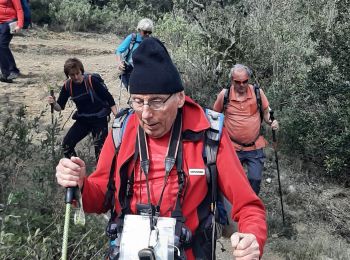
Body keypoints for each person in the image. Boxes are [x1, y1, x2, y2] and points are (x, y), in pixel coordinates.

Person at [56, 38, 267, 259]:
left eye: (157, 101)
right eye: (138, 101)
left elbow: (249, 205)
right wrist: (81, 183)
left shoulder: (208, 133)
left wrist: (253, 238)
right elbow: (99, 198)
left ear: (179, 98)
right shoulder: (121, 130)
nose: (146, 113)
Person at [213, 64, 279, 195]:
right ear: (232, 80)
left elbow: (266, 113)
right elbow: (215, 115)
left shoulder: (257, 93)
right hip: (232, 147)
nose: (242, 85)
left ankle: (250, 206)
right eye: (238, 82)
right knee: (230, 180)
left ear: (248, 79)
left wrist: (272, 121)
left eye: (245, 81)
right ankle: (232, 206)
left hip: (254, 147)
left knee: (255, 179)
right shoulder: (224, 95)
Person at [48, 58, 117, 161]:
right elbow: (60, 107)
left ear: (81, 71)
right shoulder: (67, 86)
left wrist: (117, 115)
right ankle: (77, 169)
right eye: (72, 75)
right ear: (68, 75)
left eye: (77, 73)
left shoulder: (91, 81)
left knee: (101, 151)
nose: (76, 77)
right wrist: (53, 103)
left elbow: (109, 98)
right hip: (83, 119)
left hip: (99, 118)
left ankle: (101, 175)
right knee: (66, 145)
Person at [115, 18, 153, 90]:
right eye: (145, 32)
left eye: (149, 32)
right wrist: (119, 62)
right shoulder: (132, 38)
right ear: (139, 30)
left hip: (144, 71)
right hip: (131, 70)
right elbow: (118, 51)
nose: (147, 34)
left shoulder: (151, 41)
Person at [0, 0, 23, 83]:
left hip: (9, 22)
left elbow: (19, 9)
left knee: (2, 45)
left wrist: (19, 25)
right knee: (2, 47)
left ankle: (9, 72)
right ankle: (10, 71)